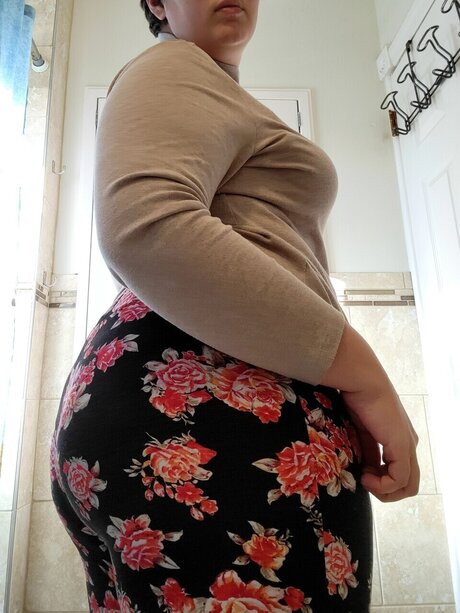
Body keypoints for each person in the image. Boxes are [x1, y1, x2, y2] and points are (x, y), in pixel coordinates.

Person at [50, 1, 420, 611]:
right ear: (157, 3)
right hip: (214, 410)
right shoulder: (175, 64)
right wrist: (366, 378)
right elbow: (145, 226)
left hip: (183, 411)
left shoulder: (204, 87)